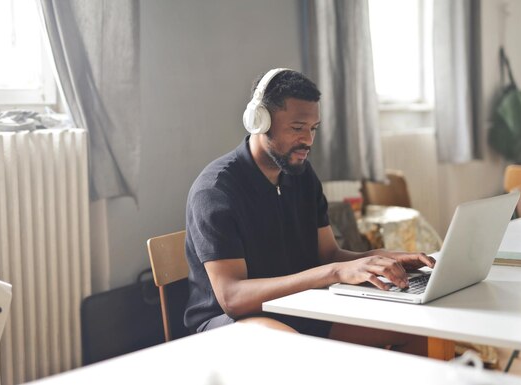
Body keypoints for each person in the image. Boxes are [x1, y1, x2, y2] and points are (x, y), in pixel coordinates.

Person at [184, 68, 435, 354]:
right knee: (294, 347)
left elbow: (329, 255)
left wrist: (383, 259)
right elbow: (233, 297)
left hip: (299, 306)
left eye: (313, 128)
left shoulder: (300, 175)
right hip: (229, 322)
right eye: (297, 127)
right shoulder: (216, 191)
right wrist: (334, 273)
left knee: (412, 329)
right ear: (259, 121)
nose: (308, 140)